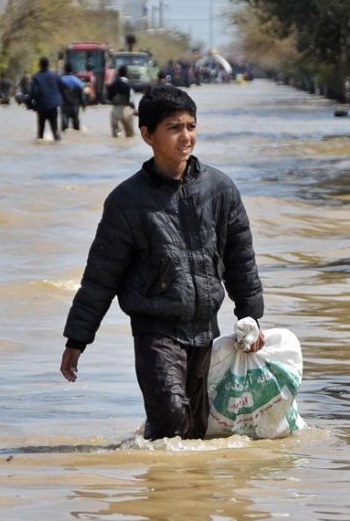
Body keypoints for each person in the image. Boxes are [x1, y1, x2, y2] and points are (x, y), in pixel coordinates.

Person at [60, 85, 266, 440]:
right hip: (155, 330)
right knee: (171, 415)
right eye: (174, 128)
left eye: (191, 126)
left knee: (198, 428)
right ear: (147, 134)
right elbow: (100, 277)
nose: (185, 137)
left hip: (206, 328)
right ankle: (157, 484)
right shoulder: (127, 202)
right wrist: (77, 339)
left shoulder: (220, 189)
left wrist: (250, 315)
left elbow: (240, 257)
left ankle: (183, 492)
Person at [29, 57, 66, 141]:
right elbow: (63, 86)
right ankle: (58, 143)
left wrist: (30, 104)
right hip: (53, 105)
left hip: (41, 107)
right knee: (55, 129)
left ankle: (40, 143)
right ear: (48, 65)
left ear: (39, 65)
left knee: (40, 131)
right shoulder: (55, 75)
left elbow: (34, 93)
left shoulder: (36, 77)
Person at [107, 65, 135, 138]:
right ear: (126, 73)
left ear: (118, 73)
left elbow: (109, 98)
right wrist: (134, 109)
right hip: (127, 109)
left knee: (115, 135)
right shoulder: (129, 84)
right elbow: (131, 99)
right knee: (130, 135)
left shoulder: (113, 84)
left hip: (115, 109)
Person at [60, 62, 86, 131]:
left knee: (64, 129)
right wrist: (83, 105)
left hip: (64, 106)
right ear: (72, 70)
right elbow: (81, 95)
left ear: (65, 70)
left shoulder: (61, 80)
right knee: (76, 127)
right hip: (75, 106)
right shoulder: (77, 81)